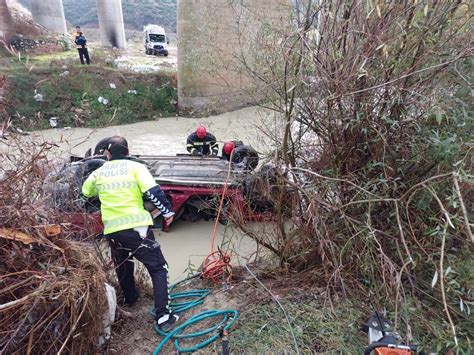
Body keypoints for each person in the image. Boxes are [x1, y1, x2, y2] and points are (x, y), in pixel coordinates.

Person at [81, 136, 178, 330]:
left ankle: (131, 298)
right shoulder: (137, 168)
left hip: (112, 231)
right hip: (136, 228)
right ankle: (163, 316)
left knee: (123, 265)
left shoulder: (99, 172)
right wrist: (168, 212)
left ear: (107, 154)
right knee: (159, 268)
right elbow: (154, 193)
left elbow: (86, 192)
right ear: (127, 151)